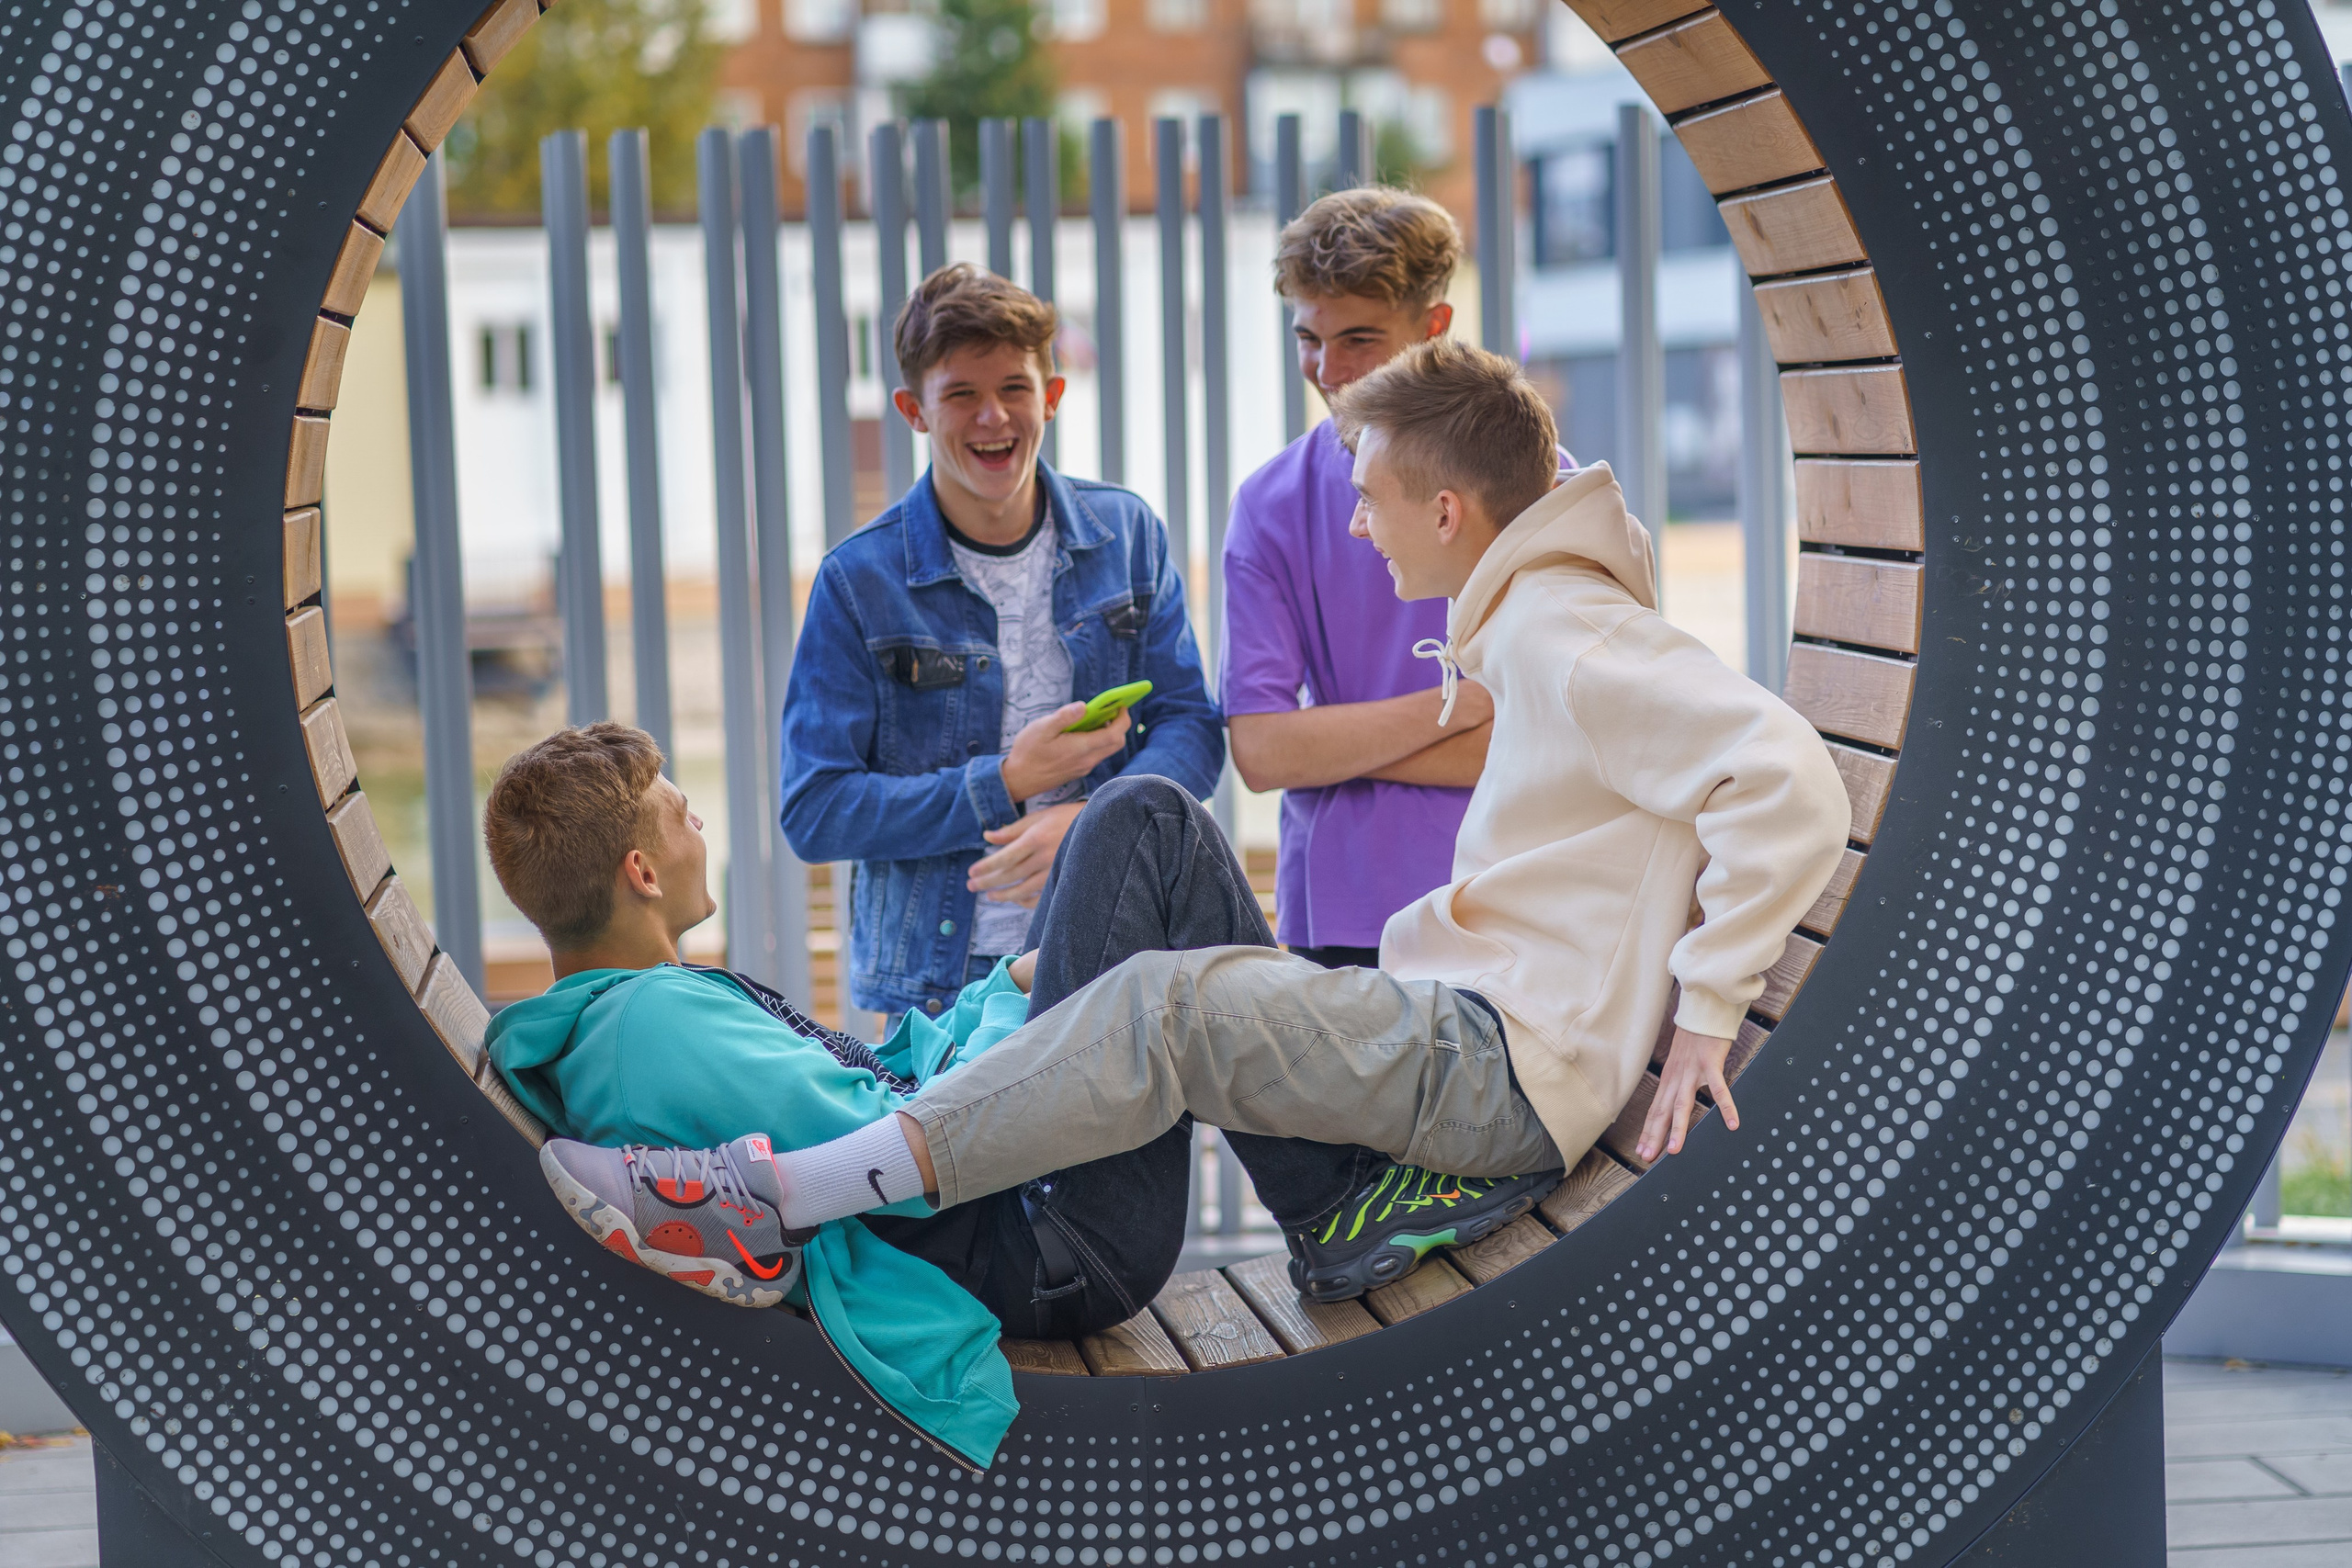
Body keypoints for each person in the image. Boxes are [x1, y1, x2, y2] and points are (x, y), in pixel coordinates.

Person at [547, 339, 1849, 1341]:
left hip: (1502, 1062)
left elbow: (1786, 772)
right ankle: (1243, 1184)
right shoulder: (1543, 619)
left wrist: (1706, 1007)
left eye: (1371, 495)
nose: (1355, 523)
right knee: (1152, 817)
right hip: (1458, 1023)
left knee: (1167, 1008)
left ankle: (772, 1200)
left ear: (1447, 512)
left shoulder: (1573, 631)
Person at [488, 727, 1556, 1470]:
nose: (698, 823)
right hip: (1038, 1232)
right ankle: (1335, 1196)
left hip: (1013, 1196)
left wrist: (1020, 991)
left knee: (1143, 843)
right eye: (679, 812)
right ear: (637, 869)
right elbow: (887, 1140)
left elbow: (882, 1074)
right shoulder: (652, 1026)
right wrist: (1055, 1021)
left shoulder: (642, 1011)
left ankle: (1333, 1196)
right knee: (1145, 822)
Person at [777, 262, 1223, 1023]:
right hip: (940, 994)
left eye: (1014, 388)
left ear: (1051, 394)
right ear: (914, 409)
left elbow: (1192, 728)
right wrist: (1007, 779)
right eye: (961, 395)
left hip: (1121, 945)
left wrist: (1093, 825)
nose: (993, 417)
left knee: (1131, 1149)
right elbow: (816, 809)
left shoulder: (1128, 534)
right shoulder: (859, 580)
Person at [1224, 186, 1532, 970]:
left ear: (1434, 327)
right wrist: (1464, 707)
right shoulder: (1268, 503)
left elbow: (1559, 733)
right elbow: (1261, 752)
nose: (1327, 370)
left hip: (1517, 887)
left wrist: (1335, 744)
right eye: (1308, 338)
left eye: (1359, 337)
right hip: (1342, 912)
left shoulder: (1541, 482)